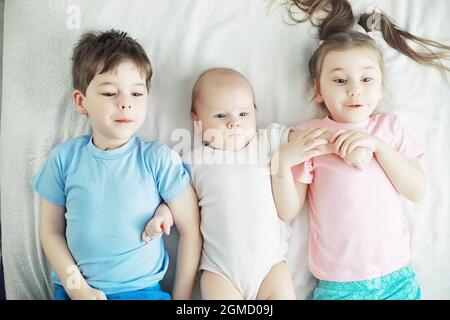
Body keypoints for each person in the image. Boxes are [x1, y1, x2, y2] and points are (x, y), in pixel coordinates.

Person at [273, 0, 449, 300]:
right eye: (340, 80)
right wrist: (282, 163)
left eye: (366, 79)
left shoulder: (389, 129)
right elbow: (288, 210)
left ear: (380, 87)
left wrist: (379, 147)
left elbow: (417, 189)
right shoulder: (310, 137)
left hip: (397, 277)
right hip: (340, 285)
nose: (354, 89)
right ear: (318, 90)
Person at [32, 29, 202, 300]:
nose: (125, 104)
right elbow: (50, 232)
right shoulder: (63, 159)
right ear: (81, 101)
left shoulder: (158, 160)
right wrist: (78, 288)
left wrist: (182, 299)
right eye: (110, 93)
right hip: (76, 291)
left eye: (136, 94)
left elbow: (191, 231)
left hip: (142, 291)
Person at [182, 67, 309, 300]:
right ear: (196, 120)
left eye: (243, 114)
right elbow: (175, 199)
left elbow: (307, 140)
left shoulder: (268, 140)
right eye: (221, 116)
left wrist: (331, 142)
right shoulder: (192, 160)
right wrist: (163, 215)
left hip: (270, 267)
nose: (234, 124)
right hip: (220, 271)